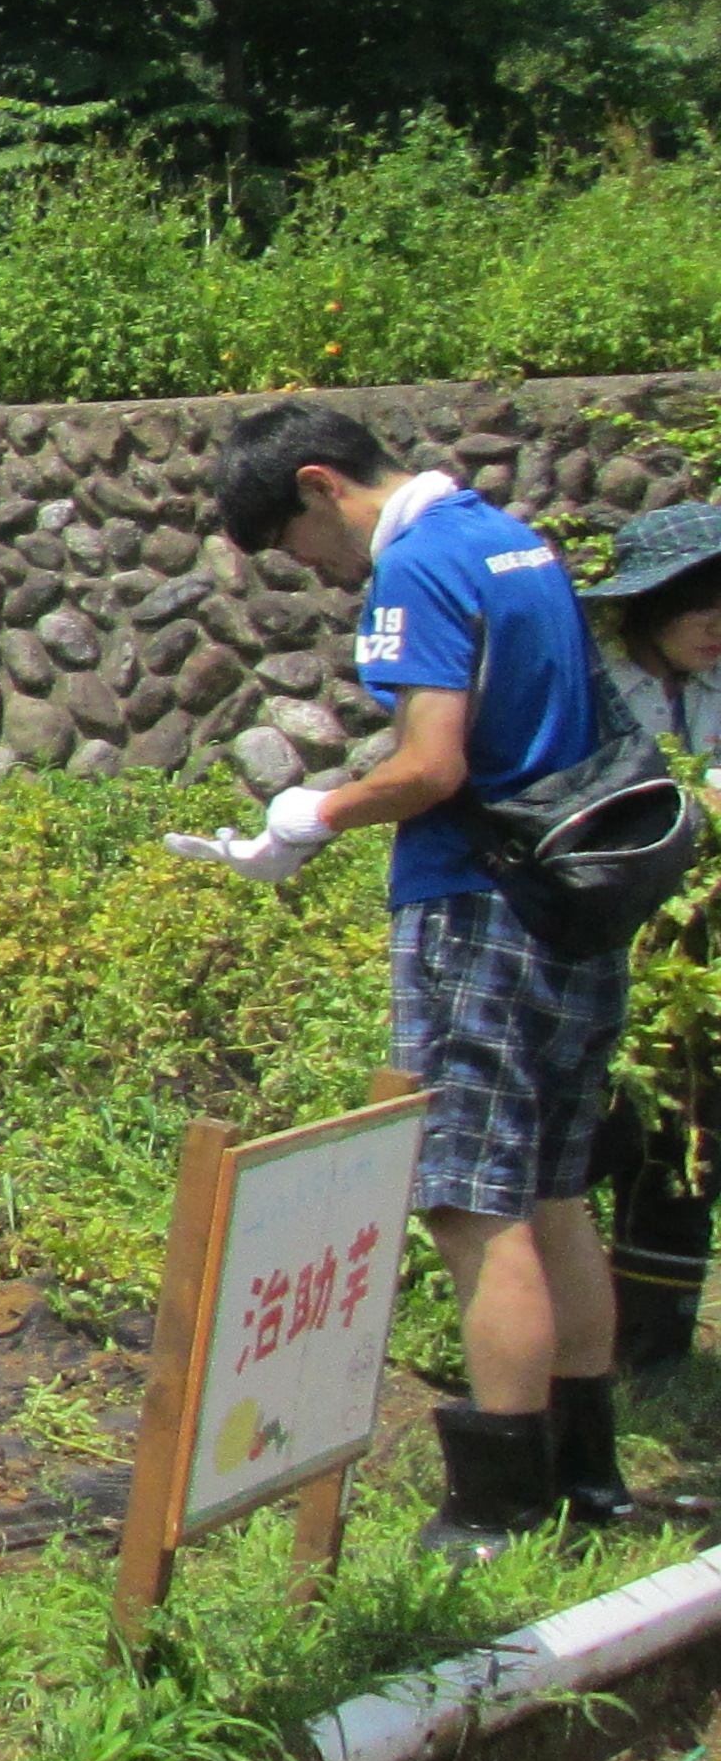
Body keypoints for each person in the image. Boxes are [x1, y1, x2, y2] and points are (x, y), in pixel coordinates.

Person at [174, 402, 626, 1553]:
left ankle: (500, 1504)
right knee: (557, 1190)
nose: (317, 573)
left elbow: (433, 765)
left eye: (299, 543)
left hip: (481, 903)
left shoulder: (415, 568)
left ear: (322, 486)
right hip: (575, 897)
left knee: (475, 1202)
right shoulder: (509, 539)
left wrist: (314, 813)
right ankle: (588, 1477)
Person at [584, 500, 721, 1378]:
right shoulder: (593, 691)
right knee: (598, 1130)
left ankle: (654, 1350)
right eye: (699, 604)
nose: (717, 626)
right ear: (648, 605)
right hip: (602, 936)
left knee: (685, 1138)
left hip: (698, 957)